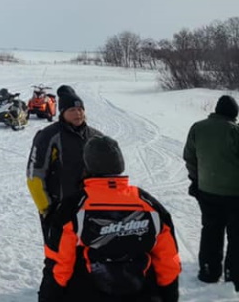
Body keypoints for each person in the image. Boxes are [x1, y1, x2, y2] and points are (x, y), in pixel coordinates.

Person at [39, 136, 181, 301]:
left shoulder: (73, 206)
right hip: (140, 292)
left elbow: (58, 264)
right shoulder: (148, 203)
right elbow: (168, 261)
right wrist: (169, 296)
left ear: (87, 166)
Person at [26, 85, 102, 233]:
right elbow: (34, 176)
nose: (78, 113)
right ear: (62, 112)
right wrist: (47, 209)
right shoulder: (48, 136)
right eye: (72, 110)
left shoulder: (95, 136)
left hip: (91, 208)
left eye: (80, 109)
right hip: (59, 209)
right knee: (60, 254)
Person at [183, 94, 239, 289]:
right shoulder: (235, 131)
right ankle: (234, 276)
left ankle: (208, 271)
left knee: (210, 230)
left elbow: (189, 157)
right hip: (234, 194)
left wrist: (197, 180)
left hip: (206, 191)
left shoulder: (197, 128)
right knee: (236, 235)